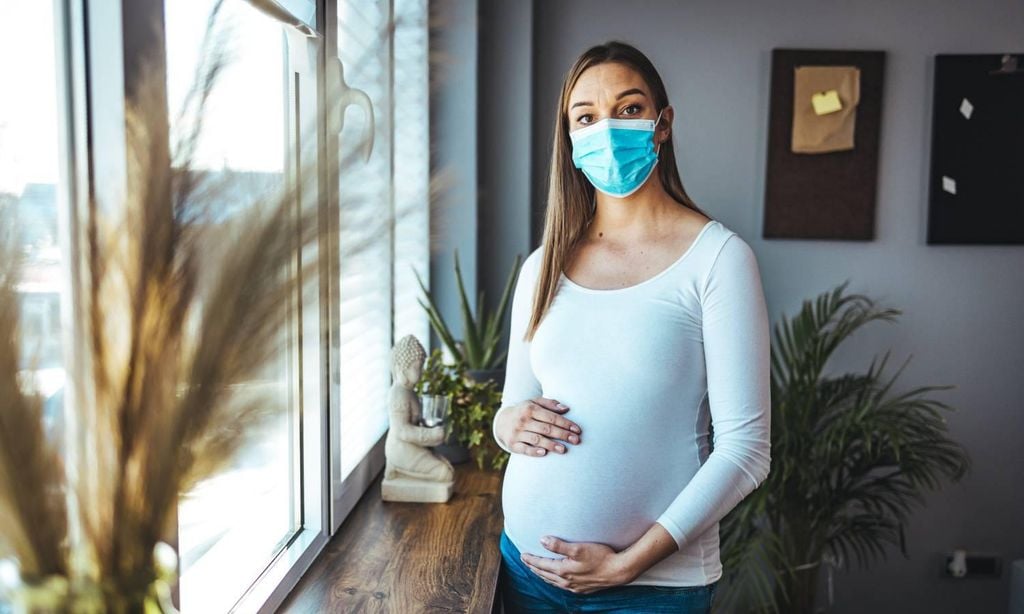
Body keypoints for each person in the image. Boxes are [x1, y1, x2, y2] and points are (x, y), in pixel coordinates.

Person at [492, 40, 772, 613]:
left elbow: (747, 451)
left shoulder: (718, 259)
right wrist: (508, 425)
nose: (607, 131)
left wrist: (626, 564)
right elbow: (512, 409)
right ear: (569, 140)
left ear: (662, 124)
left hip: (650, 591)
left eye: (628, 109)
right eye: (586, 118)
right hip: (526, 572)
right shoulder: (543, 265)